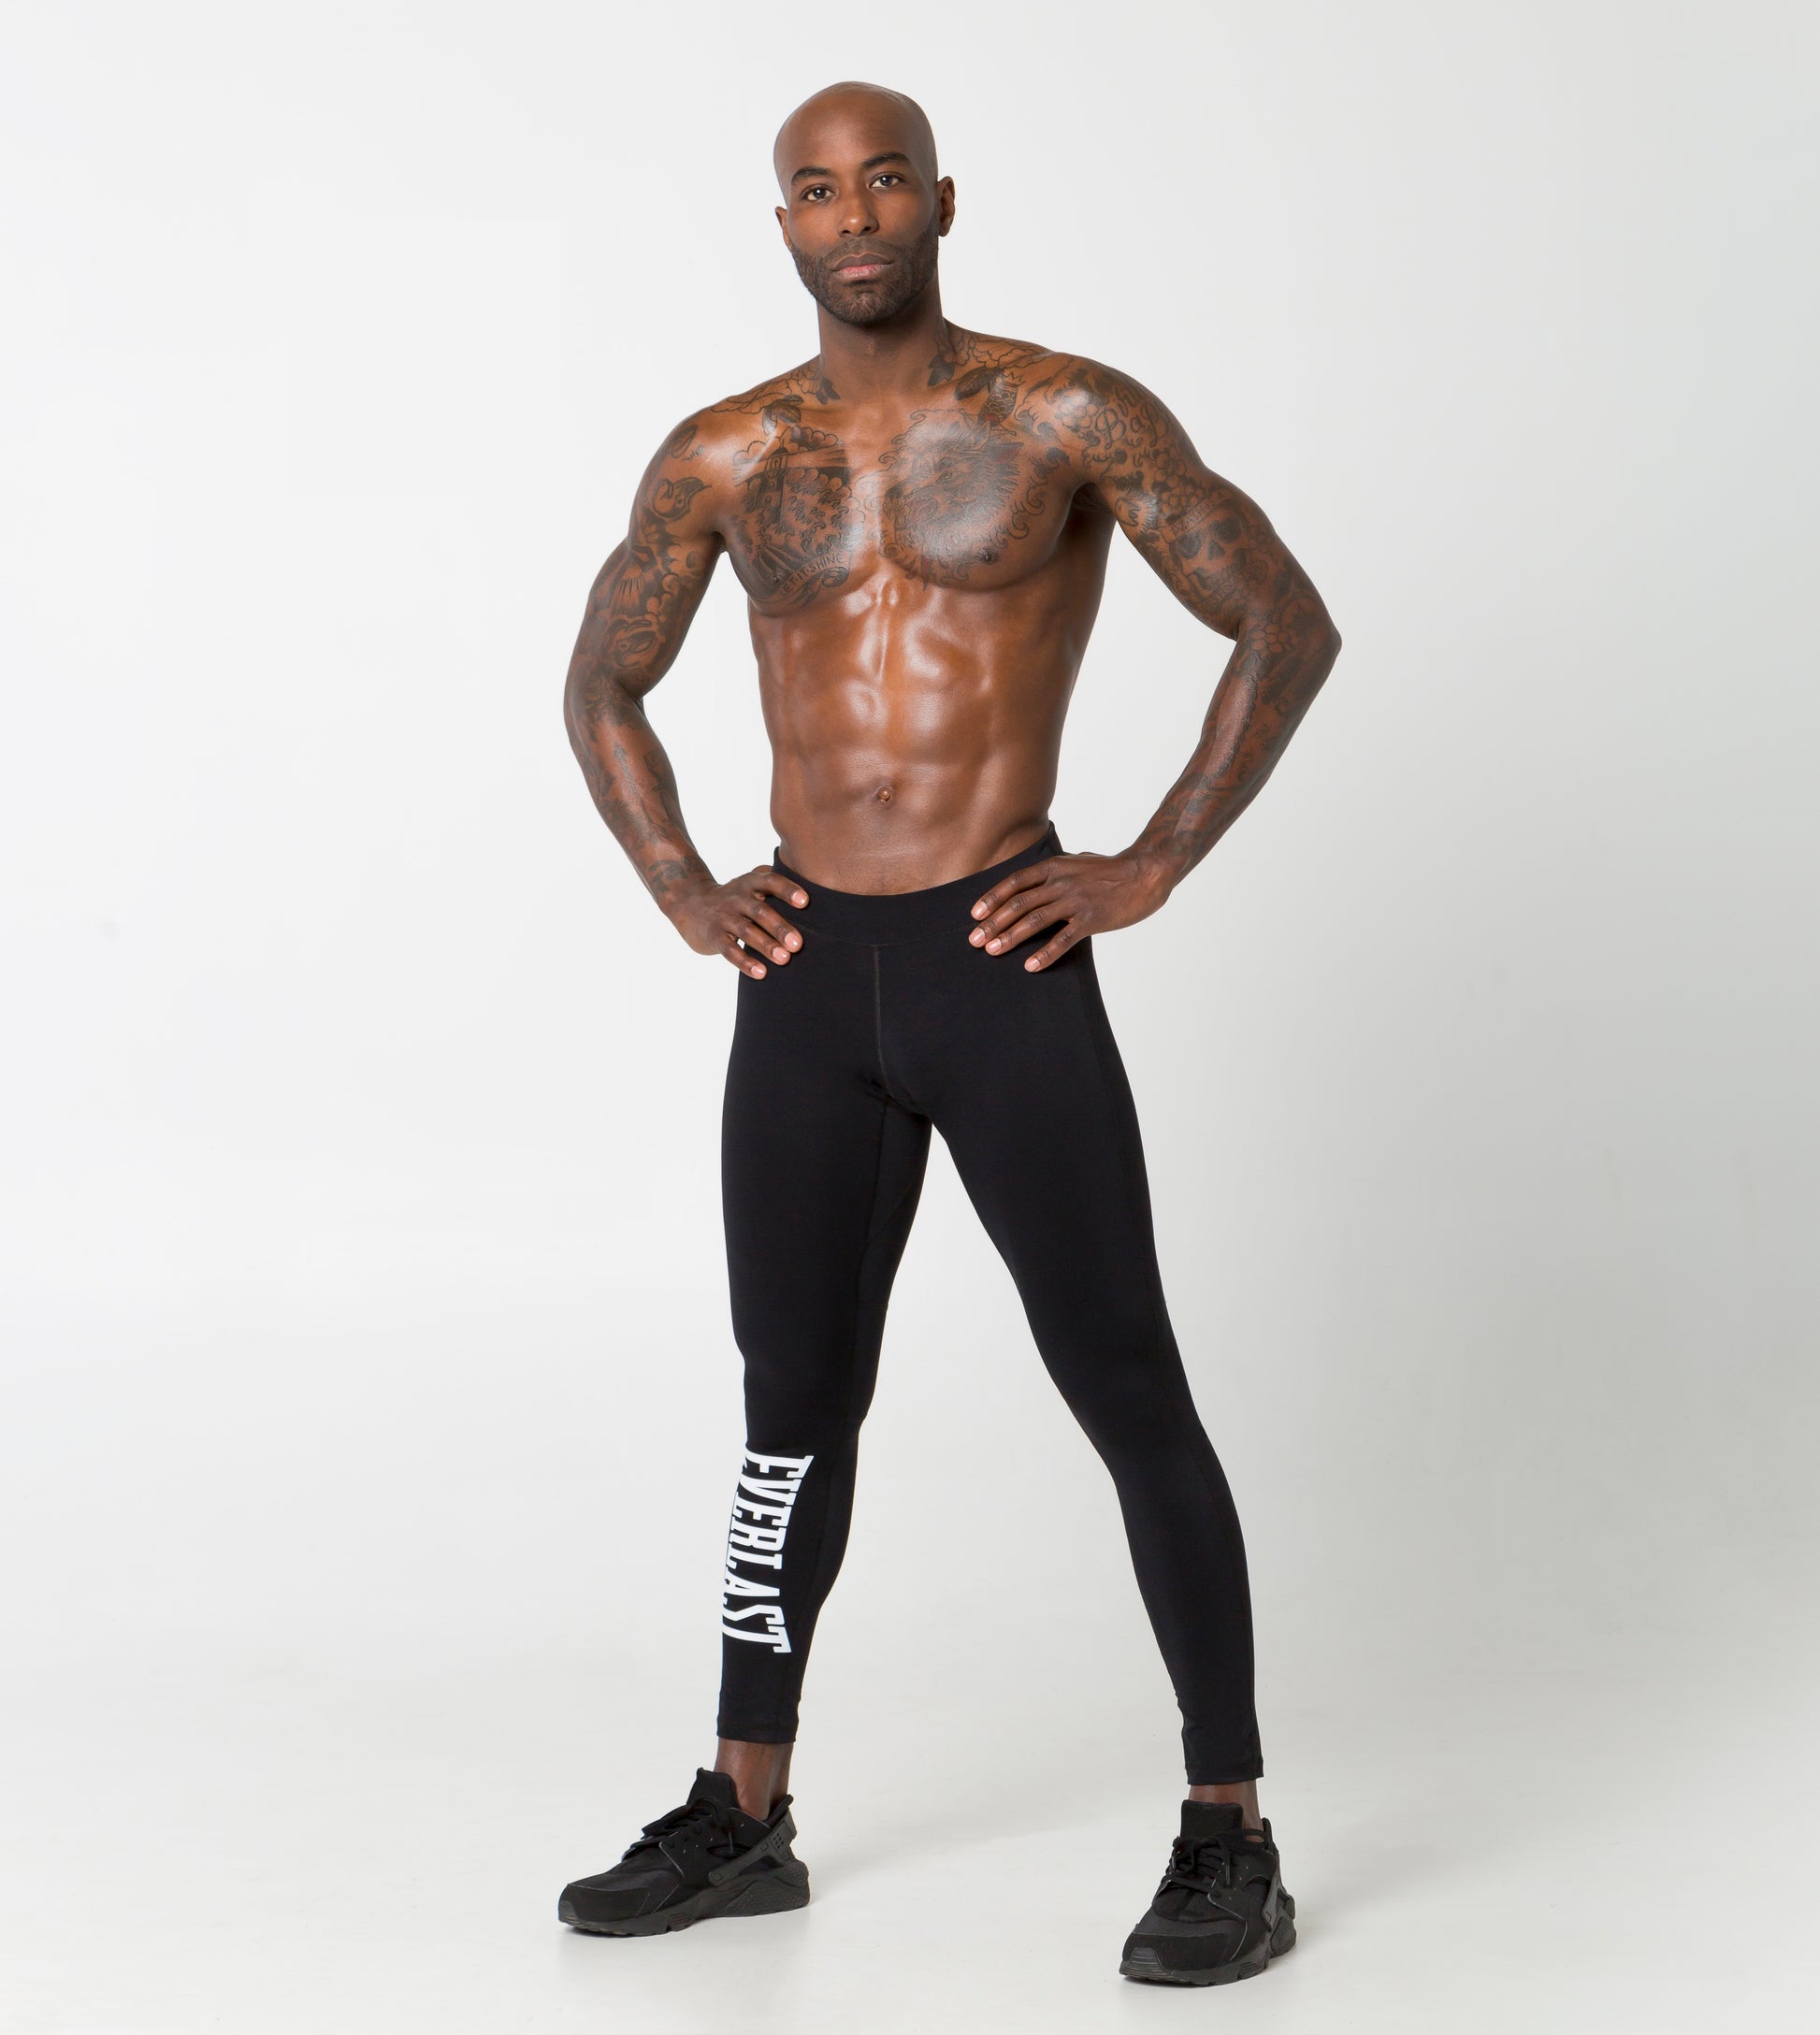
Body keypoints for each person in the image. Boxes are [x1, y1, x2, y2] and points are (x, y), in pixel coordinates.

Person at [556, 79, 1339, 1986]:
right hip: (806, 976)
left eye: (883, 178)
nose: (854, 215)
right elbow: (603, 680)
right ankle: (745, 1807)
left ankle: (1228, 1831)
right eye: (816, 190)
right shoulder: (725, 453)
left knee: (1123, 1382)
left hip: (999, 954)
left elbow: (1282, 621)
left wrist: (1149, 860)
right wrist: (683, 888)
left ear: (940, 201)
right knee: (787, 1413)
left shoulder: (1064, 414)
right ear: (785, 224)